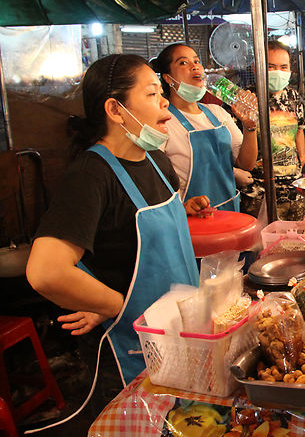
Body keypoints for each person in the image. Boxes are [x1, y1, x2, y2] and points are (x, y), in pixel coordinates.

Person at [25, 54, 206, 387]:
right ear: (114, 110)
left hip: (182, 332)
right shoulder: (90, 175)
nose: (165, 100)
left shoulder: (157, 162)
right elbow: (46, 271)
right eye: (152, 94)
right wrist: (115, 305)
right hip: (131, 353)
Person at [153, 43, 256, 212]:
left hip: (229, 211)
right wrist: (181, 207)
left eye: (196, 60)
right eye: (183, 63)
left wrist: (249, 127)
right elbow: (157, 181)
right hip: (193, 216)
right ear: (167, 78)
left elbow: (246, 163)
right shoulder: (164, 121)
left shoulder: (217, 113)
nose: (195, 66)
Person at [243, 40, 305, 219]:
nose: (278, 72)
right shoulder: (246, 100)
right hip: (259, 192)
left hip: (293, 189)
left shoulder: (293, 96)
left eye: (283, 67)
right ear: (256, 67)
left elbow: (300, 129)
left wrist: (301, 158)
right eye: (271, 67)